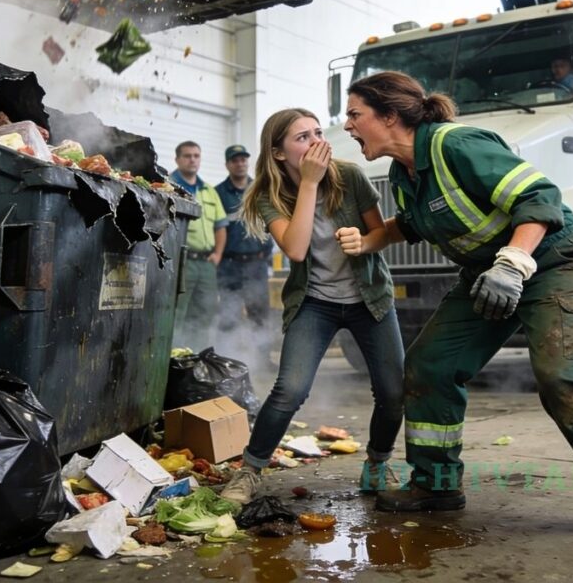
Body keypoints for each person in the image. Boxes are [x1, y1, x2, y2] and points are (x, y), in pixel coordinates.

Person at [341, 71, 573, 543]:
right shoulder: (403, 172)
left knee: (562, 375)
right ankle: (436, 485)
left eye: (354, 115)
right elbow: (410, 224)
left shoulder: (457, 144)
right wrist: (368, 240)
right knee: (430, 365)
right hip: (487, 276)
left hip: (553, 262)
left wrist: (513, 263)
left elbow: (541, 197)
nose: (347, 126)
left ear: (389, 115)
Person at [219, 108, 404, 504]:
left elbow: (380, 233)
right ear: (279, 153)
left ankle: (377, 463)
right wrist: (308, 185)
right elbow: (297, 249)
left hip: (368, 298)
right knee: (290, 389)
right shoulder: (270, 195)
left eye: (318, 132)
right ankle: (249, 472)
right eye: (302, 137)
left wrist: (365, 241)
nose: (317, 142)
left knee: (393, 390)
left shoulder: (350, 176)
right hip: (314, 302)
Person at [215, 144, 275, 366]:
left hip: (256, 264)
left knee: (259, 313)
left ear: (248, 162)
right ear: (227, 164)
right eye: (235, 160)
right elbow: (215, 229)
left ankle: (263, 359)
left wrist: (267, 254)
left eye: (243, 159)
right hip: (229, 264)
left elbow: (272, 224)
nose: (240, 163)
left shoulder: (261, 190)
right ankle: (226, 360)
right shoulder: (218, 193)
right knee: (228, 313)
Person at [170, 141, 228, 350]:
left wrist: (218, 254)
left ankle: (196, 361)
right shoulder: (168, 186)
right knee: (176, 314)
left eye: (196, 155)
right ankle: (173, 362)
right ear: (177, 160)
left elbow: (220, 226)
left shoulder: (209, 191)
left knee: (205, 313)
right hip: (181, 262)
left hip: (206, 264)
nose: (192, 159)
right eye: (187, 156)